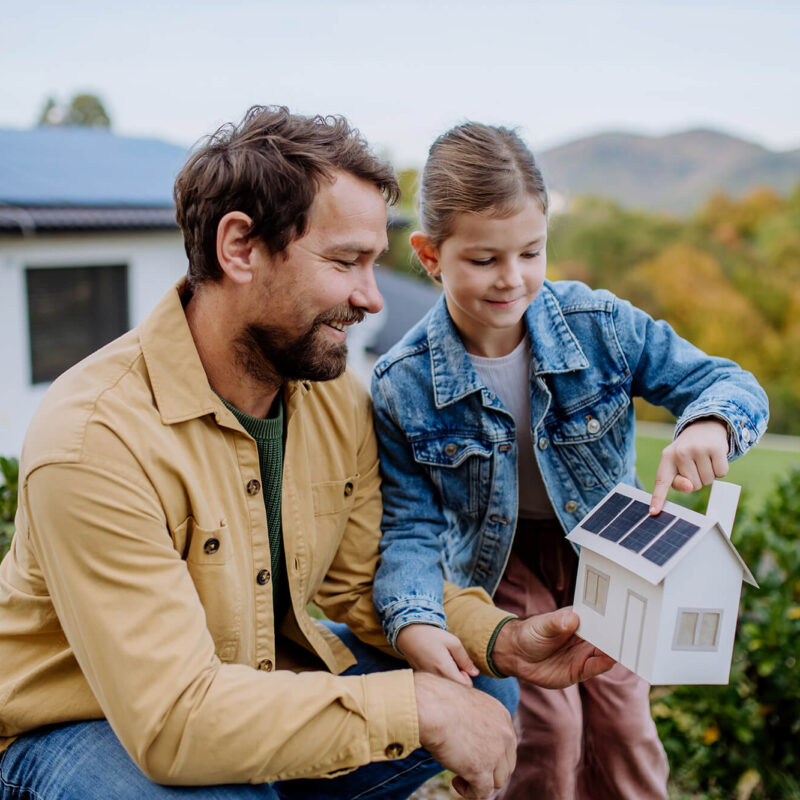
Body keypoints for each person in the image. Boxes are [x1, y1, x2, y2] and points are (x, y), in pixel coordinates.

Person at [0, 107, 614, 800]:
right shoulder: (94, 440)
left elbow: (362, 579)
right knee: (216, 784)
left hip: (247, 680)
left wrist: (500, 638)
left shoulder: (330, 397)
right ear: (240, 248)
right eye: (345, 261)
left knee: (480, 683)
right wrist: (416, 709)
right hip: (78, 726)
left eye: (375, 263)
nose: (371, 297)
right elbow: (172, 720)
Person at [370, 122, 769, 800]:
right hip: (500, 563)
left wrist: (709, 422)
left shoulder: (600, 325)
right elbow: (409, 523)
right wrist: (413, 615)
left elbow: (727, 383)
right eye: (484, 260)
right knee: (545, 731)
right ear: (430, 254)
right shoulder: (401, 383)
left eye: (531, 252)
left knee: (624, 724)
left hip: (611, 549)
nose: (512, 278)